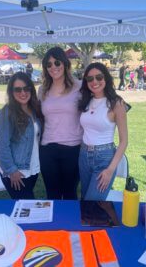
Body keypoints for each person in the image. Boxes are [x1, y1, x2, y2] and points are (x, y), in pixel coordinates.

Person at [78, 62, 128, 200]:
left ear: (106, 78)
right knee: (85, 200)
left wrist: (110, 170)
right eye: (90, 78)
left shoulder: (116, 103)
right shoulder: (86, 101)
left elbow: (124, 141)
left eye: (99, 77)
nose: (94, 82)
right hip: (83, 155)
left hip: (104, 158)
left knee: (93, 203)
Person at [39, 46, 83, 200]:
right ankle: (54, 224)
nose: (53, 67)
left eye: (57, 63)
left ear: (64, 64)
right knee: (52, 195)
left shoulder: (80, 87)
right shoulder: (42, 90)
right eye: (48, 64)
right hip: (47, 149)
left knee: (70, 193)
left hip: (73, 149)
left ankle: (69, 224)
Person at [0, 72, 43, 199]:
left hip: (32, 169)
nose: (23, 93)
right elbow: (1, 146)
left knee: (23, 207)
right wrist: (11, 171)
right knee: (27, 208)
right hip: (16, 172)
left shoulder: (34, 110)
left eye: (26, 88)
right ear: (11, 92)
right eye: (18, 89)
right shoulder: (5, 114)